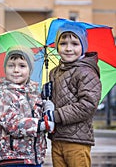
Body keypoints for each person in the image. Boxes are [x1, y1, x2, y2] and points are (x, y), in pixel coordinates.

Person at [42, 21, 102, 167]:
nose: (69, 48)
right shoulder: (54, 72)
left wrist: (56, 115)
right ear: (56, 46)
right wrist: (45, 96)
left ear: (83, 47)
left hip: (77, 141)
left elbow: (87, 105)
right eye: (63, 43)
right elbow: (56, 102)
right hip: (57, 138)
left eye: (75, 44)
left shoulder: (86, 72)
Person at [0, 45, 54, 167]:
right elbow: (11, 123)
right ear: (5, 68)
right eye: (11, 65)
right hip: (13, 158)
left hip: (34, 157)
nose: (16, 70)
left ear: (30, 70)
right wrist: (40, 125)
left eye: (22, 66)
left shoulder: (34, 93)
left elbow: (41, 117)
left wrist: (46, 103)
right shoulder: (3, 94)